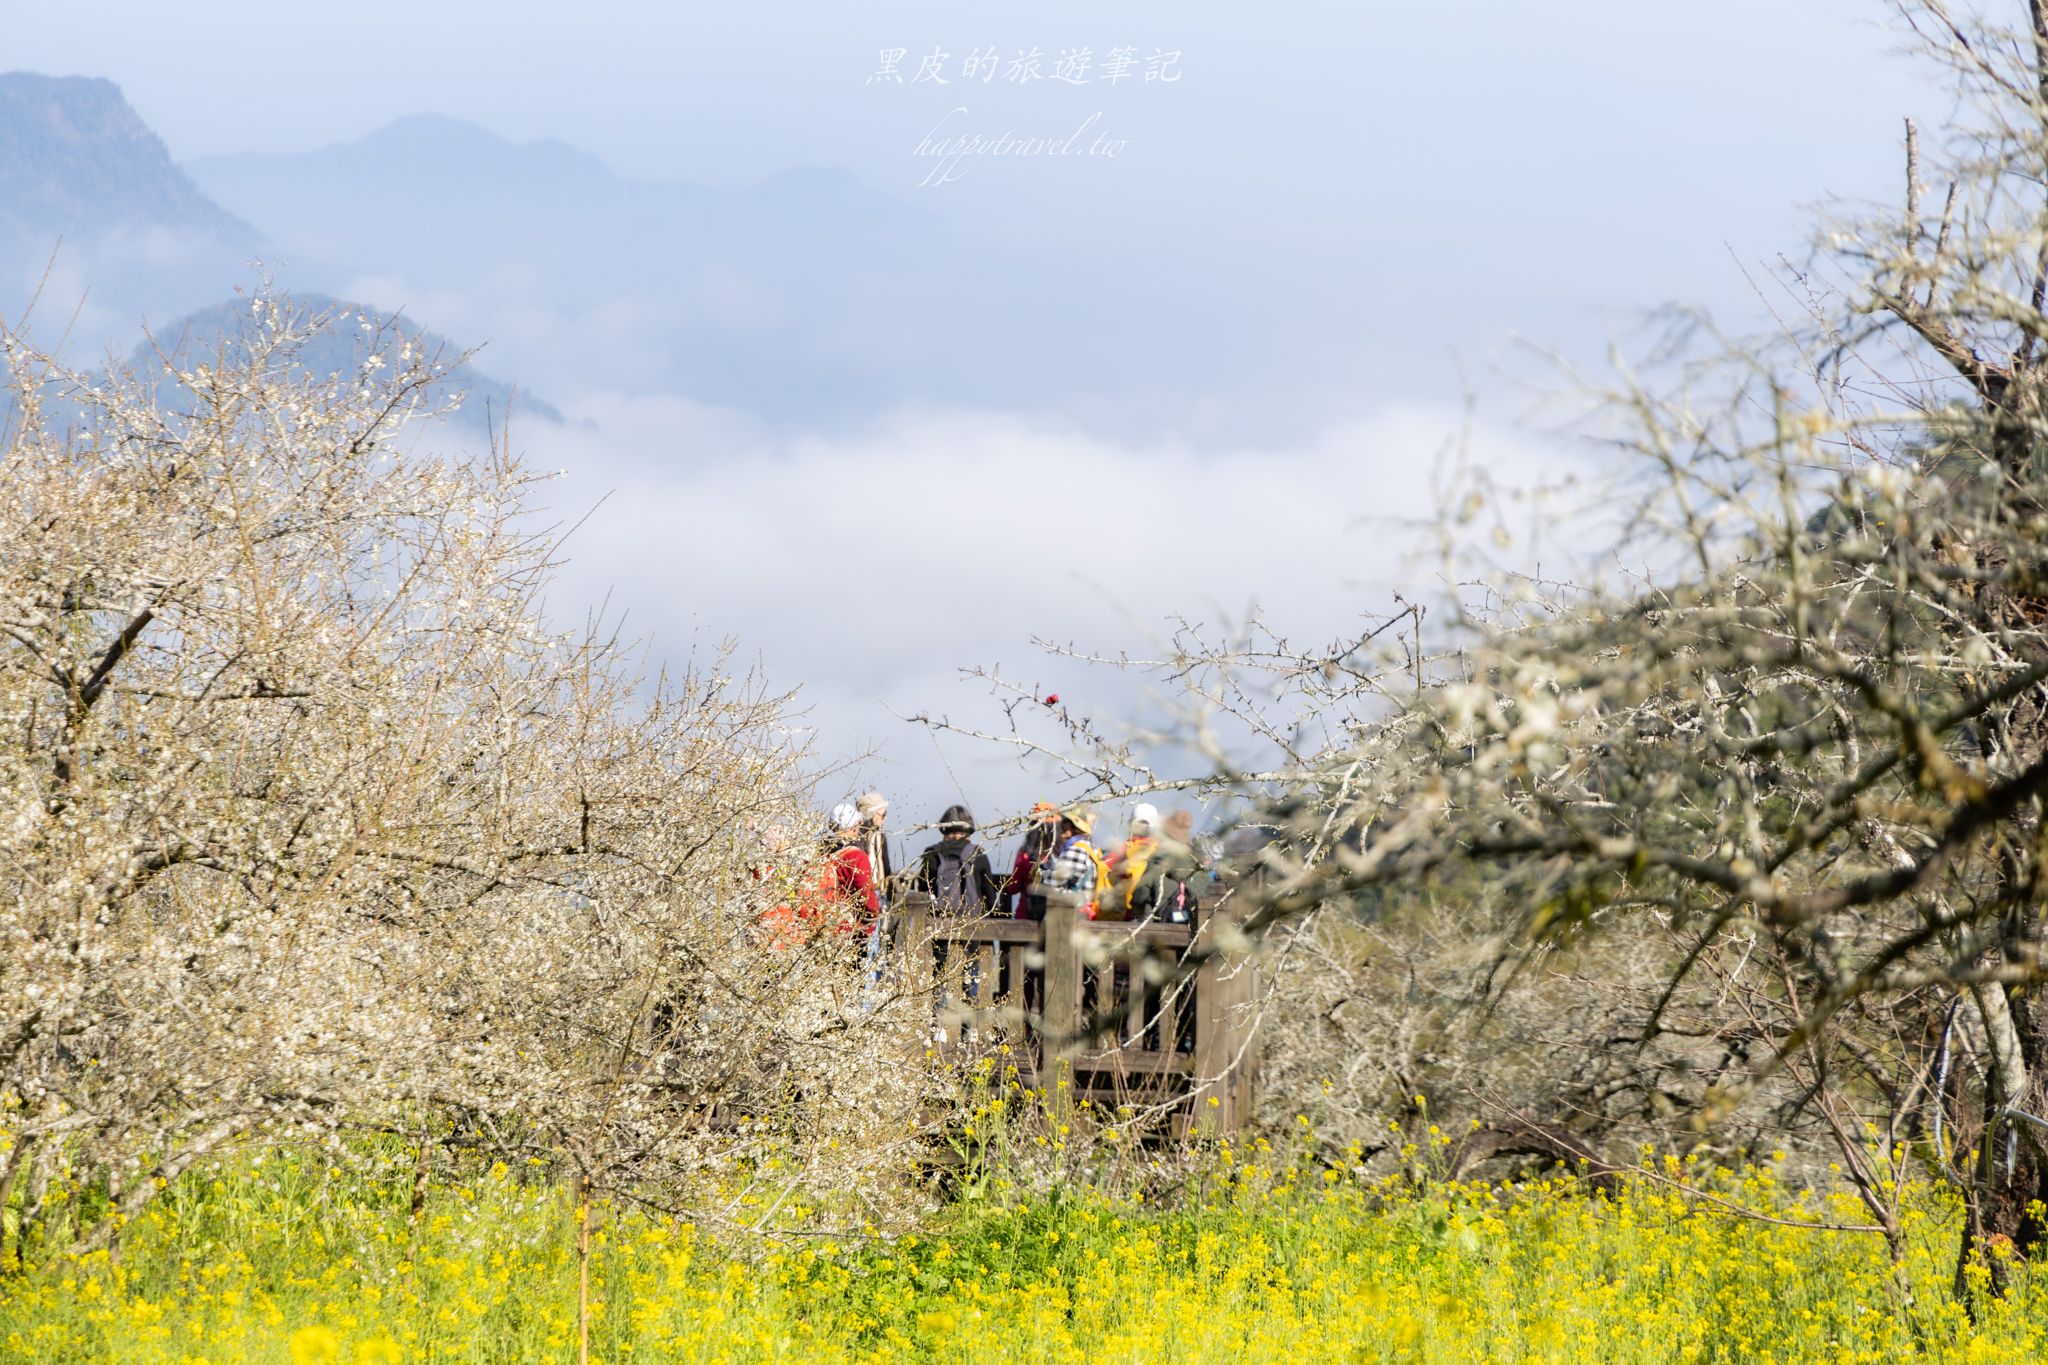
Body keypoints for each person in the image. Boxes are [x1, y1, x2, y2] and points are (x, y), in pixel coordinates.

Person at [913, 803, 1001, 915]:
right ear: (968, 830)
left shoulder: (932, 854)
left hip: (939, 921)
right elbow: (989, 894)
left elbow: (923, 890)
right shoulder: (977, 853)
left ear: (944, 829)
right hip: (972, 922)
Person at [1033, 806, 1112, 918]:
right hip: (1084, 911)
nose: (1061, 824)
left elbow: (1055, 881)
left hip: (1072, 914)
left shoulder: (1076, 850)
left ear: (1075, 825)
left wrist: (1039, 872)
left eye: (1065, 821)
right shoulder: (1092, 848)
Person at [1004, 801, 1060, 920]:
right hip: (1055, 918)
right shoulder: (1062, 853)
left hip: (1027, 915)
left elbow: (1013, 888)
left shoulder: (1024, 856)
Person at [856, 790, 896, 902]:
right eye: (883, 815)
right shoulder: (878, 837)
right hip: (874, 891)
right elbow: (886, 867)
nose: (885, 818)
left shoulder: (855, 835)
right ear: (872, 814)